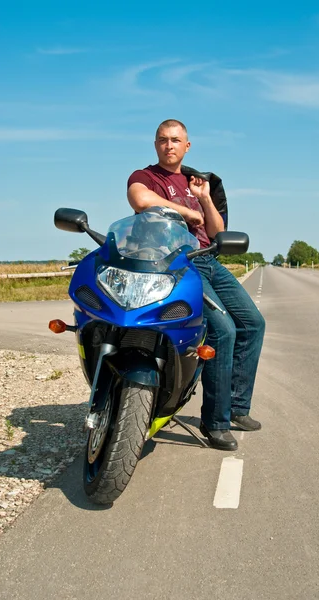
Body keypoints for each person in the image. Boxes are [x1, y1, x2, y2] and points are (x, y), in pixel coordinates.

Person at [127, 119, 265, 451]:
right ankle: (214, 423)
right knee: (222, 330)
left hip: (207, 259)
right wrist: (184, 212)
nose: (169, 145)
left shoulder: (197, 181)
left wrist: (203, 199)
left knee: (252, 323)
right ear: (155, 144)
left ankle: (235, 407)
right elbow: (141, 202)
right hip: (174, 262)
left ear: (187, 146)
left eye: (176, 140)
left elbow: (216, 232)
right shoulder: (145, 177)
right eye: (163, 140)